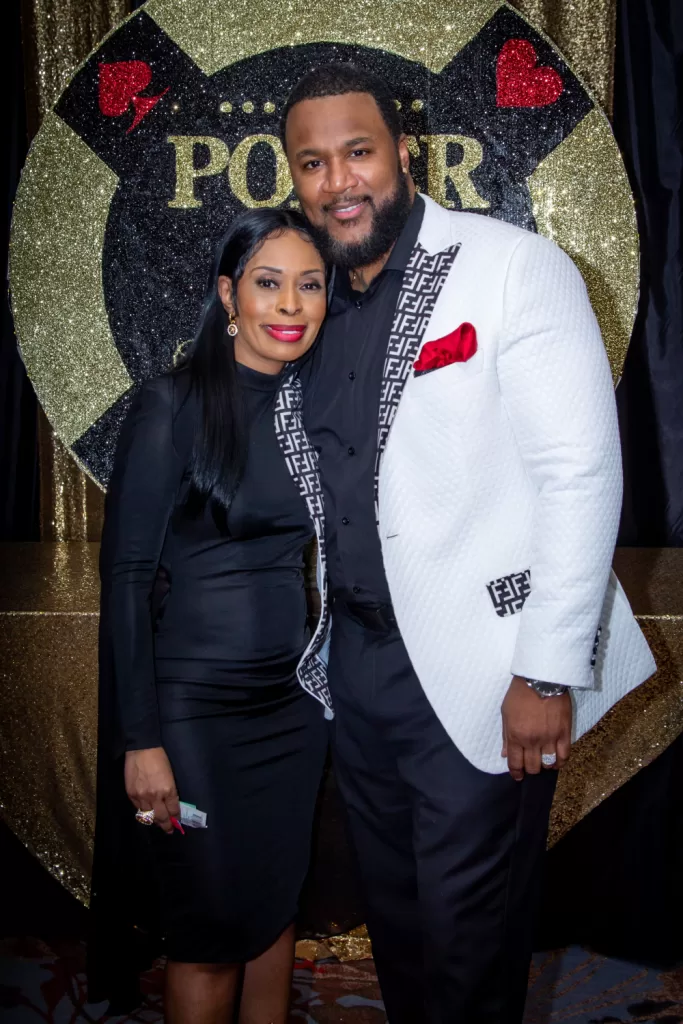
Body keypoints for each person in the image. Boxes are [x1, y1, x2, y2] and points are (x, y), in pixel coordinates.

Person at [277, 63, 657, 1023]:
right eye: (313, 163)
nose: (339, 181)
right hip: (354, 664)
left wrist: (544, 672)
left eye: (357, 152)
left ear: (403, 154)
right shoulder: (307, 303)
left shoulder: (510, 265)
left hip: (488, 669)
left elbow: (580, 474)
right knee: (398, 929)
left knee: (467, 940)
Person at [91, 208, 329, 1024]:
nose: (290, 304)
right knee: (205, 932)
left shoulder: (316, 409)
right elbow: (123, 581)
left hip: (295, 712)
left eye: (309, 284)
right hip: (192, 719)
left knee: (270, 912)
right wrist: (141, 740)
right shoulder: (172, 405)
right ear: (229, 294)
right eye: (269, 284)